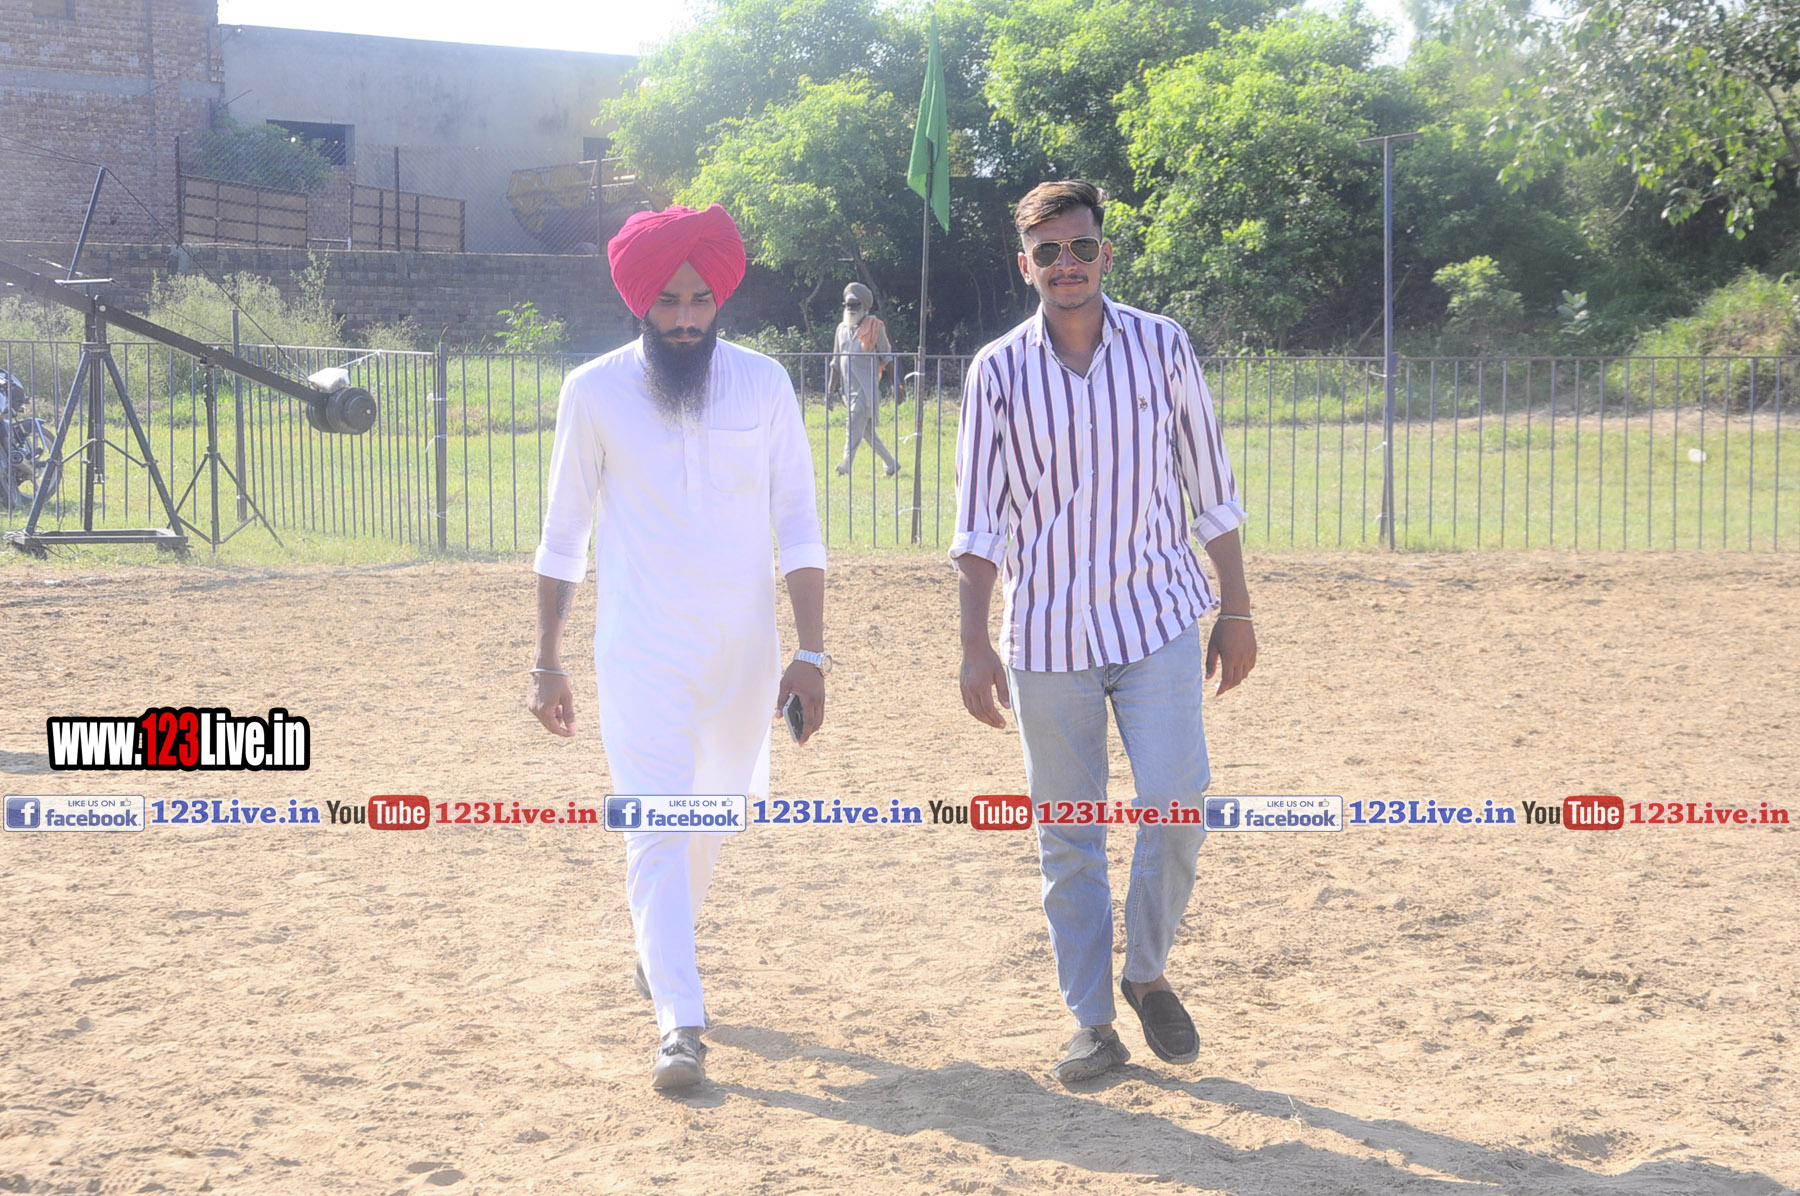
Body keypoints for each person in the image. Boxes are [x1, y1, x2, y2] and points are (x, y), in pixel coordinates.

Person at [950, 180, 1258, 1086]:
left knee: (1178, 799)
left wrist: (1236, 609)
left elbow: (1211, 487)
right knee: (1068, 835)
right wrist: (974, 644)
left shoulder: (1163, 346)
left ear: (1105, 254)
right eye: (1046, 253)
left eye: (1080, 247)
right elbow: (978, 523)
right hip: (1046, 637)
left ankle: (1147, 972)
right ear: (1025, 267)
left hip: (1159, 617)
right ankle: (1091, 1022)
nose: (1066, 265)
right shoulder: (996, 372)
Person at [527, 203, 831, 1092]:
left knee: (710, 820)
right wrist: (546, 658)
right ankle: (680, 1023)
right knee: (657, 822)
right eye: (669, 300)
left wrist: (813, 654)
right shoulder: (593, 390)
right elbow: (563, 533)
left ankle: (659, 951)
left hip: (743, 657)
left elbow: (799, 523)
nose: (687, 318)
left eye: (701, 299)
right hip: (640, 650)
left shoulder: (765, 385)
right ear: (639, 301)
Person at [826, 281, 900, 478]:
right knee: (866, 432)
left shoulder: (875, 328)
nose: (850, 309)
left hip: (866, 391)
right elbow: (835, 362)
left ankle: (844, 466)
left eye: (855, 305)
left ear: (864, 307)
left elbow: (887, 358)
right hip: (847, 390)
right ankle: (891, 464)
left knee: (852, 425)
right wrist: (830, 391)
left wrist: (898, 386)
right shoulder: (841, 329)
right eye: (847, 305)